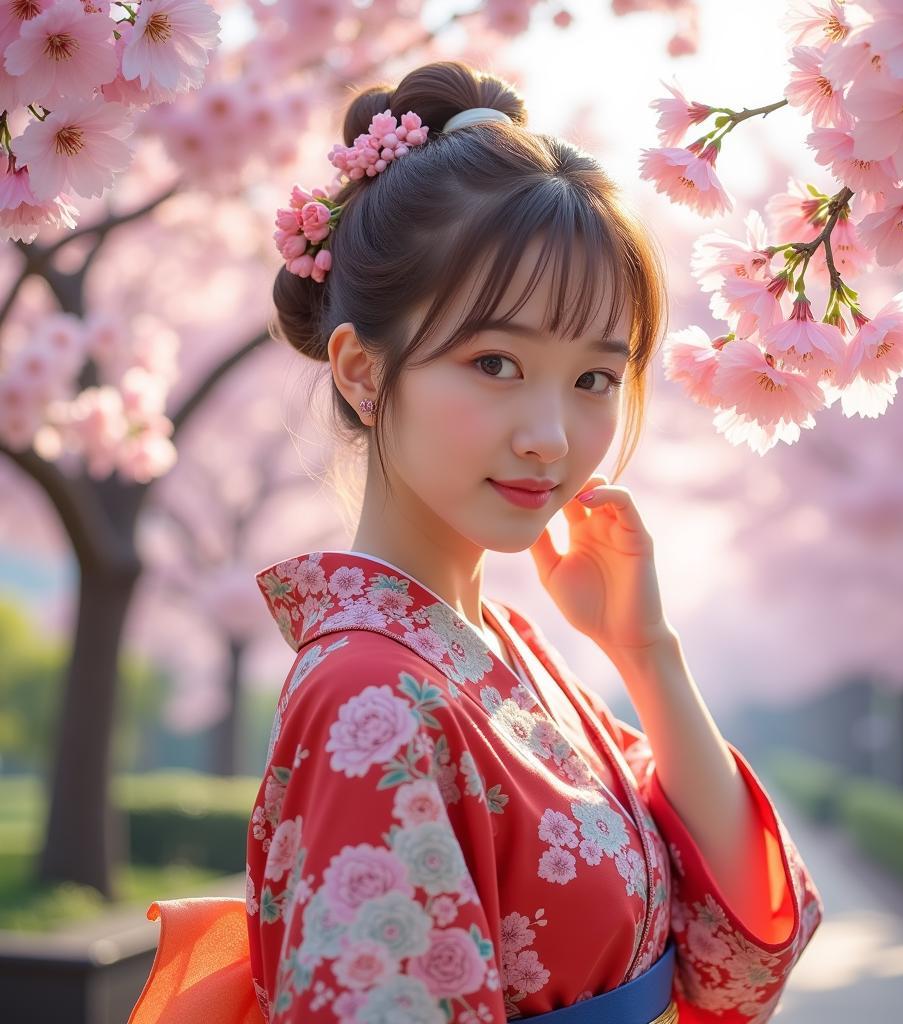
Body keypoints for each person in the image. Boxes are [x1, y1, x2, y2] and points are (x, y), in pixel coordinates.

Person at [129, 59, 823, 1024]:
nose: (551, 434)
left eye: (593, 378)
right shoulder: (368, 697)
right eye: (496, 363)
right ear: (365, 373)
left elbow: (738, 957)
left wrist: (646, 652)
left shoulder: (509, 655)